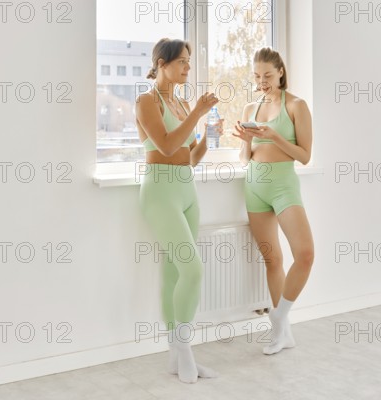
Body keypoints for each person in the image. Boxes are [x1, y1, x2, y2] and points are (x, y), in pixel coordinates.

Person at [135, 38, 222, 383]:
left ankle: (175, 354)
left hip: (187, 189)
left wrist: (207, 136)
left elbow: (189, 157)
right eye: (182, 61)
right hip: (160, 191)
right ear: (161, 62)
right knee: (193, 270)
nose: (188, 67)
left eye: (189, 61)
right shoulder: (146, 101)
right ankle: (186, 350)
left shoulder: (183, 104)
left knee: (176, 272)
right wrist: (199, 115)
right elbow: (167, 145)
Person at [233, 47, 315, 355]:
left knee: (305, 254)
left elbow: (305, 156)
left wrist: (275, 136)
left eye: (267, 75)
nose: (262, 81)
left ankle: (279, 314)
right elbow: (245, 158)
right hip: (255, 184)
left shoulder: (296, 106)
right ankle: (283, 333)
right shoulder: (249, 108)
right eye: (256, 76)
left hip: (283, 185)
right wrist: (248, 140)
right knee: (273, 260)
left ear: (280, 71)